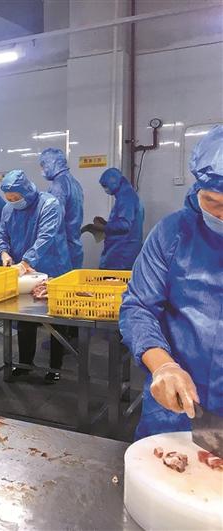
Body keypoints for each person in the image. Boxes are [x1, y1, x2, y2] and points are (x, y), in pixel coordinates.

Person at [120, 125, 223, 439]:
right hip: (179, 405)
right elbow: (139, 307)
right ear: (198, 190)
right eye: (215, 203)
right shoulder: (172, 233)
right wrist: (163, 366)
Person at [0, 170, 71, 382]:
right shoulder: (8, 209)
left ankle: (55, 367)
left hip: (53, 268)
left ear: (26, 191)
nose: (13, 202)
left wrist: (26, 261)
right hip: (26, 273)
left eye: (16, 198)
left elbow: (45, 237)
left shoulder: (49, 205)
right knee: (25, 317)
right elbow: (2, 234)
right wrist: (3, 252)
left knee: (56, 320)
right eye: (9, 199)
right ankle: (25, 364)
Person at [39, 148, 84, 269]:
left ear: (51, 163)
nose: (42, 169)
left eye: (43, 165)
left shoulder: (58, 187)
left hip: (61, 251)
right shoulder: (74, 183)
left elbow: (53, 221)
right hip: (73, 247)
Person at [95, 167, 145, 270]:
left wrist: (104, 227)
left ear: (113, 183)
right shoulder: (127, 195)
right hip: (125, 252)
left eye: (105, 186)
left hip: (121, 254)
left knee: (110, 279)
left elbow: (125, 225)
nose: (105, 189)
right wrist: (106, 223)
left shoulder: (126, 198)